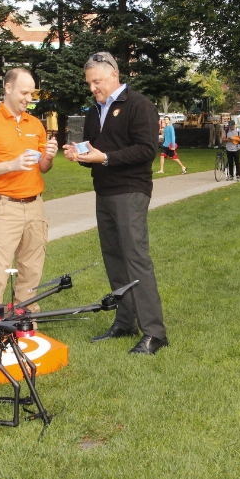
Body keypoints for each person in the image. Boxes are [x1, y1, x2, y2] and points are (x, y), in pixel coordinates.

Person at [63, 51, 168, 355]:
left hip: (131, 191)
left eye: (96, 82)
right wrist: (81, 156)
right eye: (89, 83)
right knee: (113, 257)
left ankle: (154, 332)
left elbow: (146, 150)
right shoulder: (95, 111)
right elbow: (96, 154)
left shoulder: (139, 105)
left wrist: (105, 157)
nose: (92, 88)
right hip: (104, 191)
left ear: (113, 75)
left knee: (136, 258)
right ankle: (125, 322)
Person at [0, 68, 58, 311]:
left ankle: (25, 320)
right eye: (24, 92)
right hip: (5, 206)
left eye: (32, 93)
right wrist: (11, 165)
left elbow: (43, 167)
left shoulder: (36, 124)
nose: (29, 98)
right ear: (8, 88)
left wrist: (49, 156)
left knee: (31, 269)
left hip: (35, 206)